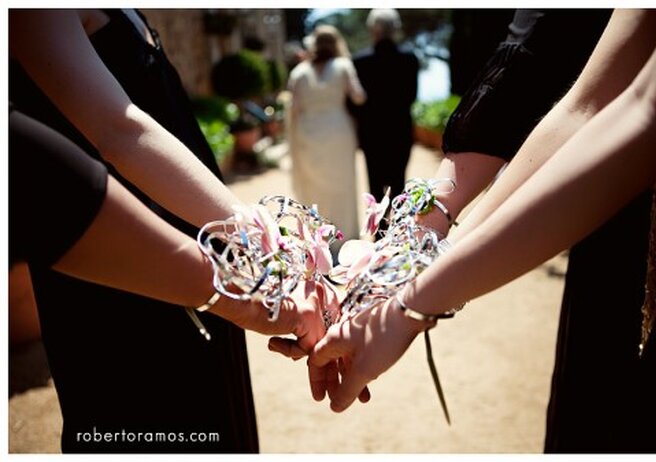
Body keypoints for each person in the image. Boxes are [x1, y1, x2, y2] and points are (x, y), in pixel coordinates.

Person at [296, 9, 656, 453]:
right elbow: (584, 107)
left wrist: (411, 302)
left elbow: (645, 113)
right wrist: (405, 267)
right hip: (593, 186)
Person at [8, 9, 296, 452]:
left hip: (206, 252)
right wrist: (261, 252)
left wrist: (256, 247)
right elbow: (119, 130)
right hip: (127, 268)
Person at [287, 24, 366, 254]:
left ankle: (317, 242)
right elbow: (359, 97)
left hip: (307, 133)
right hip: (338, 131)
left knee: (313, 188)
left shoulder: (299, 72)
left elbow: (293, 108)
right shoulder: (343, 65)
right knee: (342, 186)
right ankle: (344, 242)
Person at [350, 9, 419, 204]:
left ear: (372, 29)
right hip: (400, 129)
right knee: (398, 184)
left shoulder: (359, 61)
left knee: (374, 187)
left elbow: (354, 103)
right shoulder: (409, 59)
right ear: (395, 29)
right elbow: (412, 96)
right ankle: (398, 232)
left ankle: (379, 233)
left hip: (371, 133)